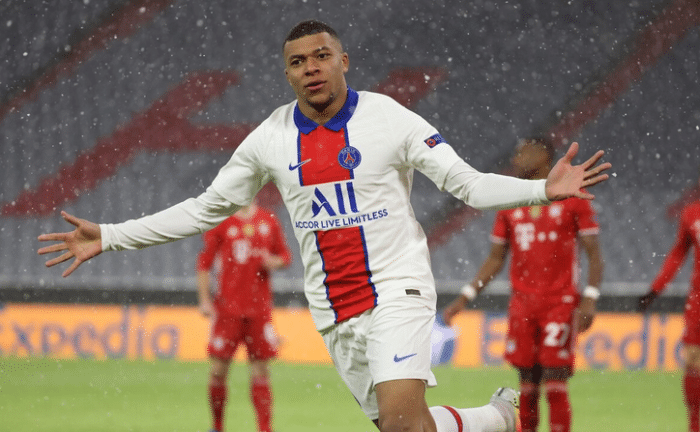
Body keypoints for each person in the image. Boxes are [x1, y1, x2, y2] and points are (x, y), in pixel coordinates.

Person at [38, 20, 611, 432]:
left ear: (343, 61)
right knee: (406, 427)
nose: (310, 67)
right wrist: (110, 235)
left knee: (401, 424)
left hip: (398, 290)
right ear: (287, 73)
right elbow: (205, 208)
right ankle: (494, 418)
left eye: (321, 55)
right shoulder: (269, 138)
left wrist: (542, 189)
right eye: (297, 61)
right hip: (335, 310)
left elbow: (468, 185)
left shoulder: (389, 118)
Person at [443, 138, 604, 432]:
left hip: (560, 303)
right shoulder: (510, 201)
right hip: (523, 305)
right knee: (527, 382)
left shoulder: (572, 199)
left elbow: (593, 253)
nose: (516, 158)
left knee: (555, 378)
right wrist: (465, 296)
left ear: (544, 156)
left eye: (523, 153)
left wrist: (590, 298)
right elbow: (495, 258)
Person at [196, 200, 292, 432]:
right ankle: (217, 427)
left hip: (259, 311)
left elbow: (285, 256)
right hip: (227, 310)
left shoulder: (268, 220)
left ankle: (264, 429)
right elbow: (205, 263)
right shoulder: (222, 221)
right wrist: (205, 300)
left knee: (261, 371)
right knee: (218, 371)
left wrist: (274, 262)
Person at [638, 173, 700, 432]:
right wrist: (655, 289)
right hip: (698, 300)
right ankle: (694, 425)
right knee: (693, 360)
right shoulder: (691, 214)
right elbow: (678, 254)